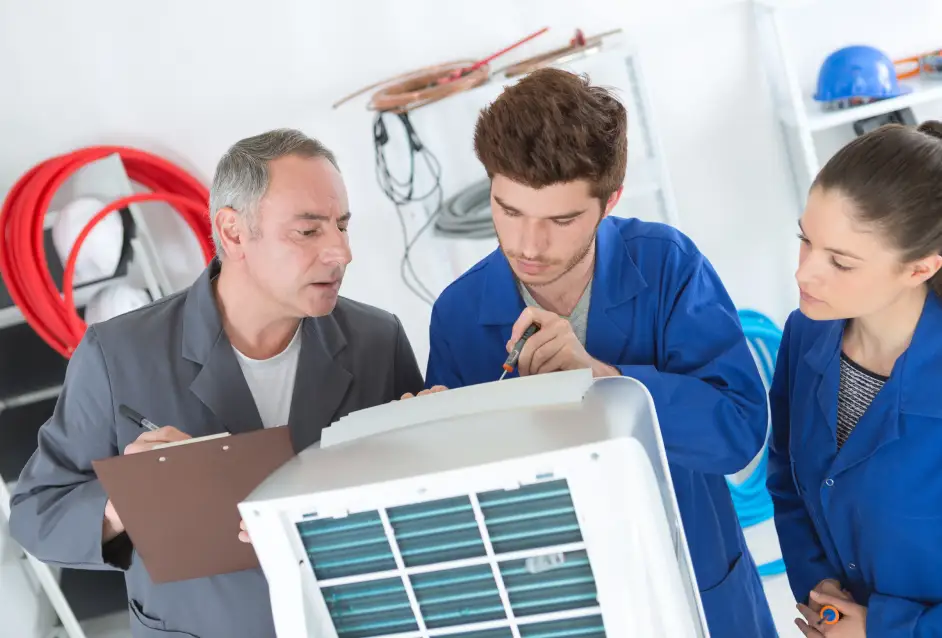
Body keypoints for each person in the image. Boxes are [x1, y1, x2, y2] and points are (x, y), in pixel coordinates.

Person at [9, 129, 424, 638]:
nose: (341, 252)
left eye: (342, 226)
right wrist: (125, 502)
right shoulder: (118, 355)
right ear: (232, 232)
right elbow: (36, 515)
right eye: (309, 231)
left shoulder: (377, 340)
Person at [417, 68, 777, 637]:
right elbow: (466, 509)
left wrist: (605, 377)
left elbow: (738, 433)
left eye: (561, 220)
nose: (528, 246)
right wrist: (430, 440)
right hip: (554, 601)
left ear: (609, 201)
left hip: (695, 586)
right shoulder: (458, 314)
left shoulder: (668, 266)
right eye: (508, 211)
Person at [767, 122, 942, 637]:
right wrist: (823, 598)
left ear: (919, 269)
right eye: (806, 240)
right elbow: (788, 479)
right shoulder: (805, 334)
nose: (804, 274)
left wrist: (885, 630)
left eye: (840, 262)